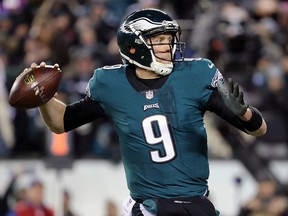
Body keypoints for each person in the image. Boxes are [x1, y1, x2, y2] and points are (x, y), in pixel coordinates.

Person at [26, 8, 267, 216]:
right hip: (149, 206)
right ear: (135, 47)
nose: (168, 46)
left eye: (169, 39)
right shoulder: (111, 85)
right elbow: (61, 122)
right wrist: (43, 95)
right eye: (159, 40)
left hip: (195, 203)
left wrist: (244, 112)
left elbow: (258, 129)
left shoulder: (196, 75)